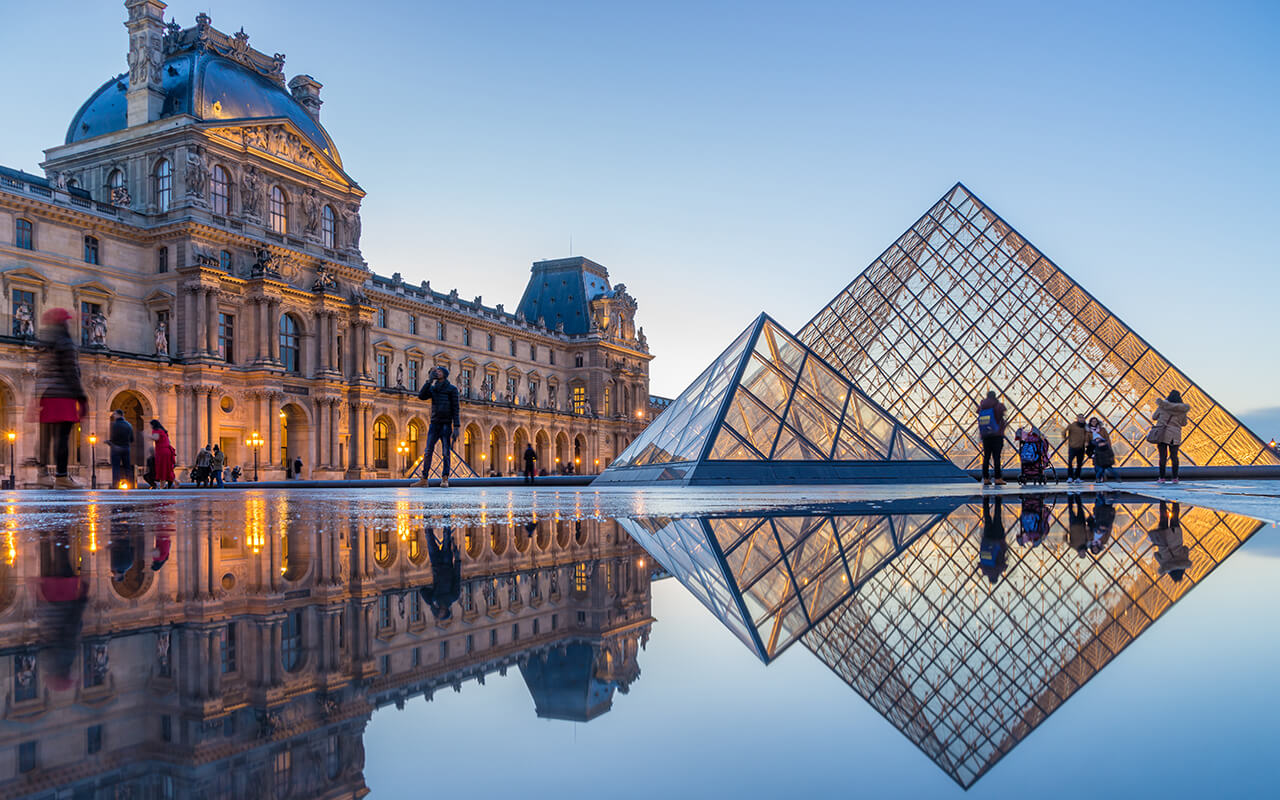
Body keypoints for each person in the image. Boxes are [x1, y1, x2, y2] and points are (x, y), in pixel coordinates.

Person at [35, 308, 88, 489]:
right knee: (62, 438)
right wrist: (81, 397)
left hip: (46, 394)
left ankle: (42, 475)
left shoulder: (44, 343)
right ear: (63, 323)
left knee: (46, 436)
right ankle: (62, 477)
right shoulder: (66, 343)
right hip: (63, 394)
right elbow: (71, 371)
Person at [414, 366, 460, 488]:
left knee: (446, 452)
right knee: (428, 451)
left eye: (439, 371)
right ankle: (424, 479)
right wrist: (429, 381)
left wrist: (456, 426)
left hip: (446, 424)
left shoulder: (452, 389)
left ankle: (445, 479)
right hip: (434, 423)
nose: (436, 372)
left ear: (444, 374)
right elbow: (421, 396)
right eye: (436, 371)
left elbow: (456, 408)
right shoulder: (433, 389)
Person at [419, 526, 461, 619]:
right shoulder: (453, 597)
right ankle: (447, 513)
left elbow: (422, 591)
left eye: (438, 613)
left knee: (429, 537)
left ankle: (427, 514)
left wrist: (431, 605)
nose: (440, 612)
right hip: (447, 564)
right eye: (441, 614)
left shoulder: (434, 599)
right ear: (446, 611)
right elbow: (457, 577)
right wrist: (457, 560)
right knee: (446, 536)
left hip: (436, 565)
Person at [1151, 390, 1190, 484]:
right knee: (1174, 457)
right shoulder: (1182, 410)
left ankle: (1162, 478)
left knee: (1163, 457)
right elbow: (1184, 423)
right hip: (1175, 435)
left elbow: (1154, 417)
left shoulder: (1162, 406)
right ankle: (1175, 478)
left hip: (1162, 434)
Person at [1147, 501, 1192, 581]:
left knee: (1175, 517)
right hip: (1163, 538)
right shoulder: (1164, 564)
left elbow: (1185, 548)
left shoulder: (1183, 560)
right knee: (1163, 516)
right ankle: (1162, 500)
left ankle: (1175, 500)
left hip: (1175, 536)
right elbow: (1156, 554)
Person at [976, 390, 1007, 487]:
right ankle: (997, 478)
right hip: (996, 435)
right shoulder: (997, 405)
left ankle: (985, 478)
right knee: (996, 457)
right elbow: (1003, 411)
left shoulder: (982, 405)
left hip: (985, 435)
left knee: (986, 457)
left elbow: (977, 411)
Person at [978, 495, 1008, 584]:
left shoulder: (998, 569)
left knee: (997, 516)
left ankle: (998, 499)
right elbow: (979, 563)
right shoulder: (984, 570)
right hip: (987, 539)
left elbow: (1004, 562)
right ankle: (985, 500)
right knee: (987, 518)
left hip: (998, 539)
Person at [108, 409, 134, 487]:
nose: (113, 416)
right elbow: (132, 439)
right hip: (126, 448)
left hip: (116, 448)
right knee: (127, 467)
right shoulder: (129, 425)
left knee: (116, 467)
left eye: (115, 414)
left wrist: (110, 442)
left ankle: (116, 485)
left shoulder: (115, 425)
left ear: (119, 415)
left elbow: (114, 437)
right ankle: (131, 484)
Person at [1087, 418, 1119, 482]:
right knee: (1098, 466)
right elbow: (1087, 441)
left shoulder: (1103, 430)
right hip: (1095, 449)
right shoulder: (1088, 432)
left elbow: (1107, 438)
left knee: (1103, 466)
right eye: (1092, 421)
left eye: (1095, 421)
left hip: (1104, 449)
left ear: (1097, 422)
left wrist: (1108, 447)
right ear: (1090, 422)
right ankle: (1100, 478)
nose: (1094, 422)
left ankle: (1101, 478)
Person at [1061, 413, 1089, 484]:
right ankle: (1070, 477)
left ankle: (1077, 477)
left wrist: (1086, 442)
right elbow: (1064, 432)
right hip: (1072, 447)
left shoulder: (1086, 427)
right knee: (1070, 463)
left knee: (1079, 464)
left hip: (1081, 447)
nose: (1082, 419)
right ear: (1077, 419)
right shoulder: (1072, 425)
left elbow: (1087, 435)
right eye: (1080, 417)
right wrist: (1065, 439)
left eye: (1082, 417)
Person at [149, 420, 177, 488]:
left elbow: (156, 438)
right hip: (167, 451)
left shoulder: (156, 431)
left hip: (161, 452)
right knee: (166, 468)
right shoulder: (163, 431)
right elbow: (168, 441)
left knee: (162, 468)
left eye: (151, 425)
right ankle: (165, 485)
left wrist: (147, 435)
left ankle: (165, 485)